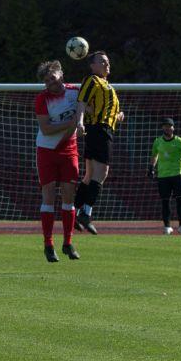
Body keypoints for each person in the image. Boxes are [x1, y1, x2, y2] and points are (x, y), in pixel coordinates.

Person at [73, 51, 125, 235]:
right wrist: (79, 122)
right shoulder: (92, 80)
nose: (107, 64)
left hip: (102, 129)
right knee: (102, 173)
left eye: (108, 61)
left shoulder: (107, 85)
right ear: (92, 66)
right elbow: (81, 101)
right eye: (102, 61)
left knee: (90, 175)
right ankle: (86, 213)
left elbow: (100, 108)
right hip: (99, 130)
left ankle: (73, 212)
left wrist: (118, 115)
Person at [34, 60, 81, 262]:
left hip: (69, 150)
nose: (50, 83)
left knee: (69, 197)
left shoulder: (75, 92)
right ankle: (48, 244)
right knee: (49, 197)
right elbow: (46, 129)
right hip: (47, 151)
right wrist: (71, 123)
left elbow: (88, 110)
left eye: (52, 78)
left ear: (61, 74)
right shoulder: (42, 99)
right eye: (46, 81)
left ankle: (68, 243)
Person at [148, 118, 181, 235]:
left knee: (180, 199)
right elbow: (154, 155)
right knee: (165, 201)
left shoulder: (180, 141)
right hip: (163, 176)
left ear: (173, 128)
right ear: (162, 128)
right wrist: (151, 168)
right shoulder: (157, 142)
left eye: (169, 126)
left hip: (177, 174)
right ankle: (167, 227)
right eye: (165, 126)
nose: (167, 128)